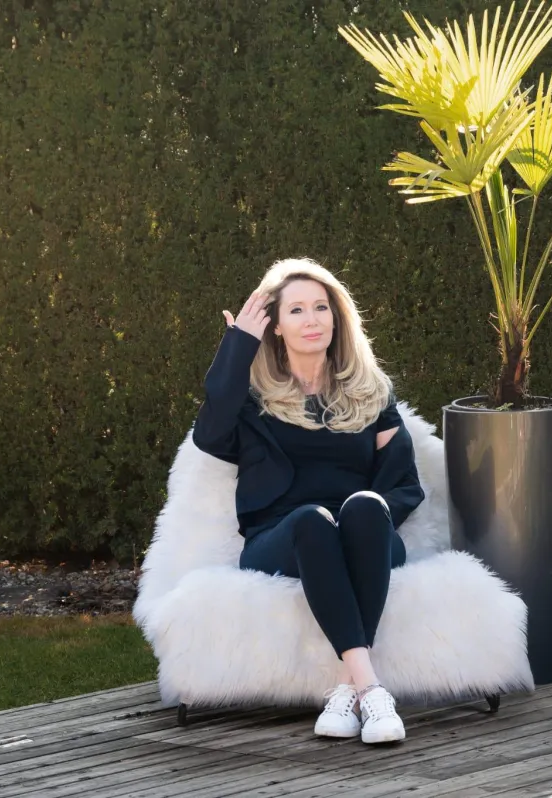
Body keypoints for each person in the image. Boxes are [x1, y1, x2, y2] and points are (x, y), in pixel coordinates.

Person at [191, 257, 424, 745]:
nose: (311, 319)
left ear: (337, 317)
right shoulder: (254, 401)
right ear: (275, 327)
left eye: (321, 307)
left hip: (366, 534)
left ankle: (347, 689)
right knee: (312, 521)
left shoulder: (371, 394)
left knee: (364, 506)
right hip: (283, 538)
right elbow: (210, 435)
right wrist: (238, 346)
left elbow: (403, 483)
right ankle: (372, 691)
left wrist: (366, 524)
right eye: (295, 310)